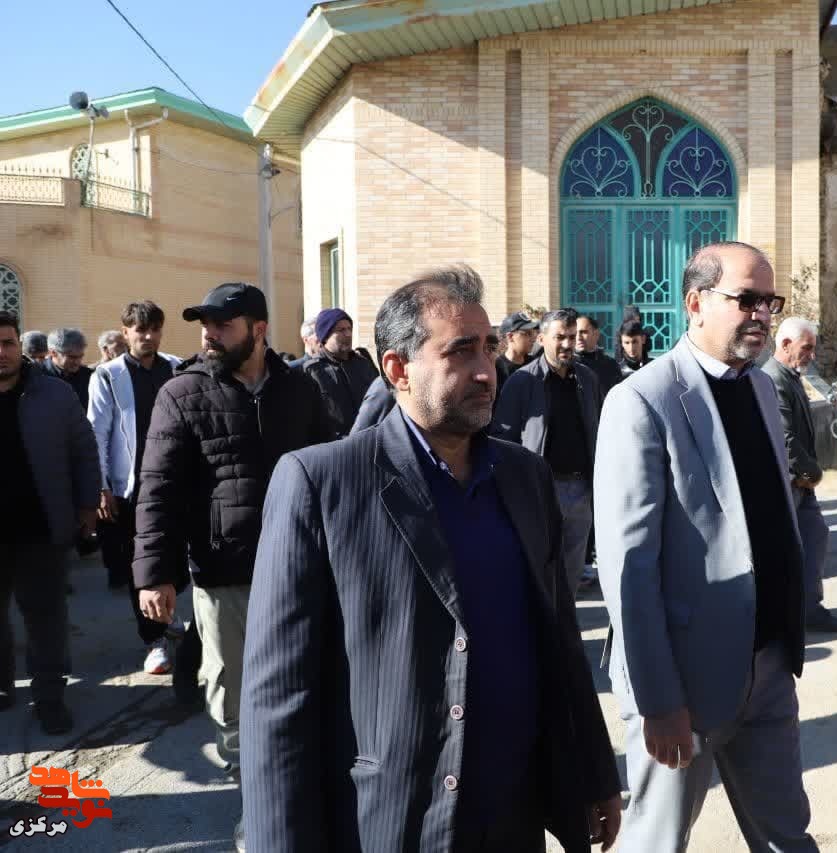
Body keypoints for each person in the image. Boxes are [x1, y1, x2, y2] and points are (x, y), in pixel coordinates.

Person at [241, 264, 622, 852]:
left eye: (489, 348)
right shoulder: (322, 482)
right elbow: (278, 694)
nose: (486, 370)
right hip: (392, 820)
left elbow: (560, 639)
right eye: (461, 351)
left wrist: (594, 772)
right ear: (397, 369)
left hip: (513, 812)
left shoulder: (524, 475)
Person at [596, 242, 816, 853]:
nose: (762, 314)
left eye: (769, 301)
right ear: (695, 303)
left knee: (787, 835)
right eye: (746, 299)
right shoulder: (643, 400)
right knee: (657, 841)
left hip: (767, 664)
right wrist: (659, 700)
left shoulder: (761, 389)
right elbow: (628, 568)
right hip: (683, 679)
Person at [131, 283, 332, 850]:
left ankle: (302, 797)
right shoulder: (182, 393)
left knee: (305, 687)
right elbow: (158, 489)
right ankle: (256, 806)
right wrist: (154, 573)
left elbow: (327, 469)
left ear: (258, 330)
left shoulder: (300, 389)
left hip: (300, 568)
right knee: (235, 698)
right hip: (225, 575)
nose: (209, 335)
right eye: (205, 325)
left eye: (222, 325)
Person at [0, 311, 99, 733]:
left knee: (45, 618)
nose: (1, 352)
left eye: (7, 343)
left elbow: (83, 451)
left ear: (20, 345)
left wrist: (88, 505)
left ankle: (49, 697)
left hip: (40, 528)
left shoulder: (54, 394)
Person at [88, 301, 184, 673]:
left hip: (175, 482)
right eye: (140, 330)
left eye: (154, 329)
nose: (148, 337)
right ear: (125, 332)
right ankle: (154, 640)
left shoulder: (175, 368)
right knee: (142, 566)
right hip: (132, 489)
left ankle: (167, 613)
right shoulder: (108, 375)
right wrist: (101, 486)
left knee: (178, 562)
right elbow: (97, 432)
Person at [493, 308, 602, 592]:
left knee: (571, 574)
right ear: (541, 339)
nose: (567, 344)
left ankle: (567, 621)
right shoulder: (523, 382)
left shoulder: (587, 379)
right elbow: (503, 440)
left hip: (580, 490)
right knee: (538, 572)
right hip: (539, 491)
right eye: (559, 337)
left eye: (572, 337)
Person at [763, 316, 837, 634]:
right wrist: (811, 471)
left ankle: (808, 609)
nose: (811, 355)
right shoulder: (773, 378)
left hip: (800, 484)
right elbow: (784, 437)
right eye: (806, 348)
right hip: (789, 483)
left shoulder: (789, 375)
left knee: (814, 538)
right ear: (785, 344)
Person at [300, 308, 381, 436]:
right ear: (325, 336)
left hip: (369, 439)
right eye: (341, 330)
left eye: (349, 329)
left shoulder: (364, 365)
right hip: (335, 444)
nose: (348, 334)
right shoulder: (312, 371)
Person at [43, 328, 94, 411]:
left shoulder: (89, 376)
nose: (77, 362)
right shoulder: (36, 375)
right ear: (53, 353)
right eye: (72, 357)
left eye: (81, 356)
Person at [576, 314, 624, 397]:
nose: (578, 337)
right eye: (575, 333)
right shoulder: (569, 365)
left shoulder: (610, 365)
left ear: (596, 334)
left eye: (583, 332)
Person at [496, 311, 538, 398]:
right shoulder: (497, 368)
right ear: (510, 337)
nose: (533, 339)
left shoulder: (535, 364)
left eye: (533, 333)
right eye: (527, 333)